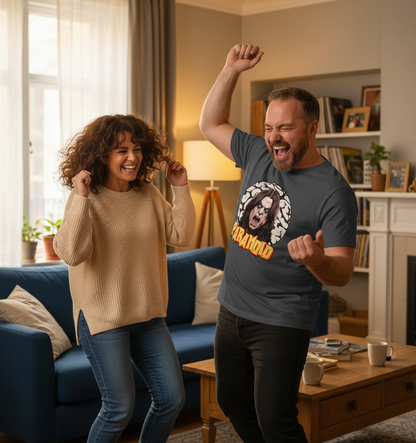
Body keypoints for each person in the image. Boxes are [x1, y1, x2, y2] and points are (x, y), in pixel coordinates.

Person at [199, 44, 357, 443]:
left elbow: (341, 272)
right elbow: (210, 123)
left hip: (281, 320)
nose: (274, 137)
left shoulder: (334, 192)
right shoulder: (256, 152)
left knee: (276, 418)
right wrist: (230, 69)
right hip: (231, 309)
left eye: (285, 128)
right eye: (270, 128)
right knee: (232, 402)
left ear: (312, 128)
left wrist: (318, 261)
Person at [54, 114, 196, 443]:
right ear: (102, 154)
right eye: (121, 150)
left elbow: (182, 234)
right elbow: (72, 253)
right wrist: (80, 196)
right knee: (119, 407)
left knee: (172, 398)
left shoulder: (147, 195)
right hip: (103, 318)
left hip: (148, 315)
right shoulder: (87, 199)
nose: (132, 157)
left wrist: (181, 188)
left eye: (136, 149)